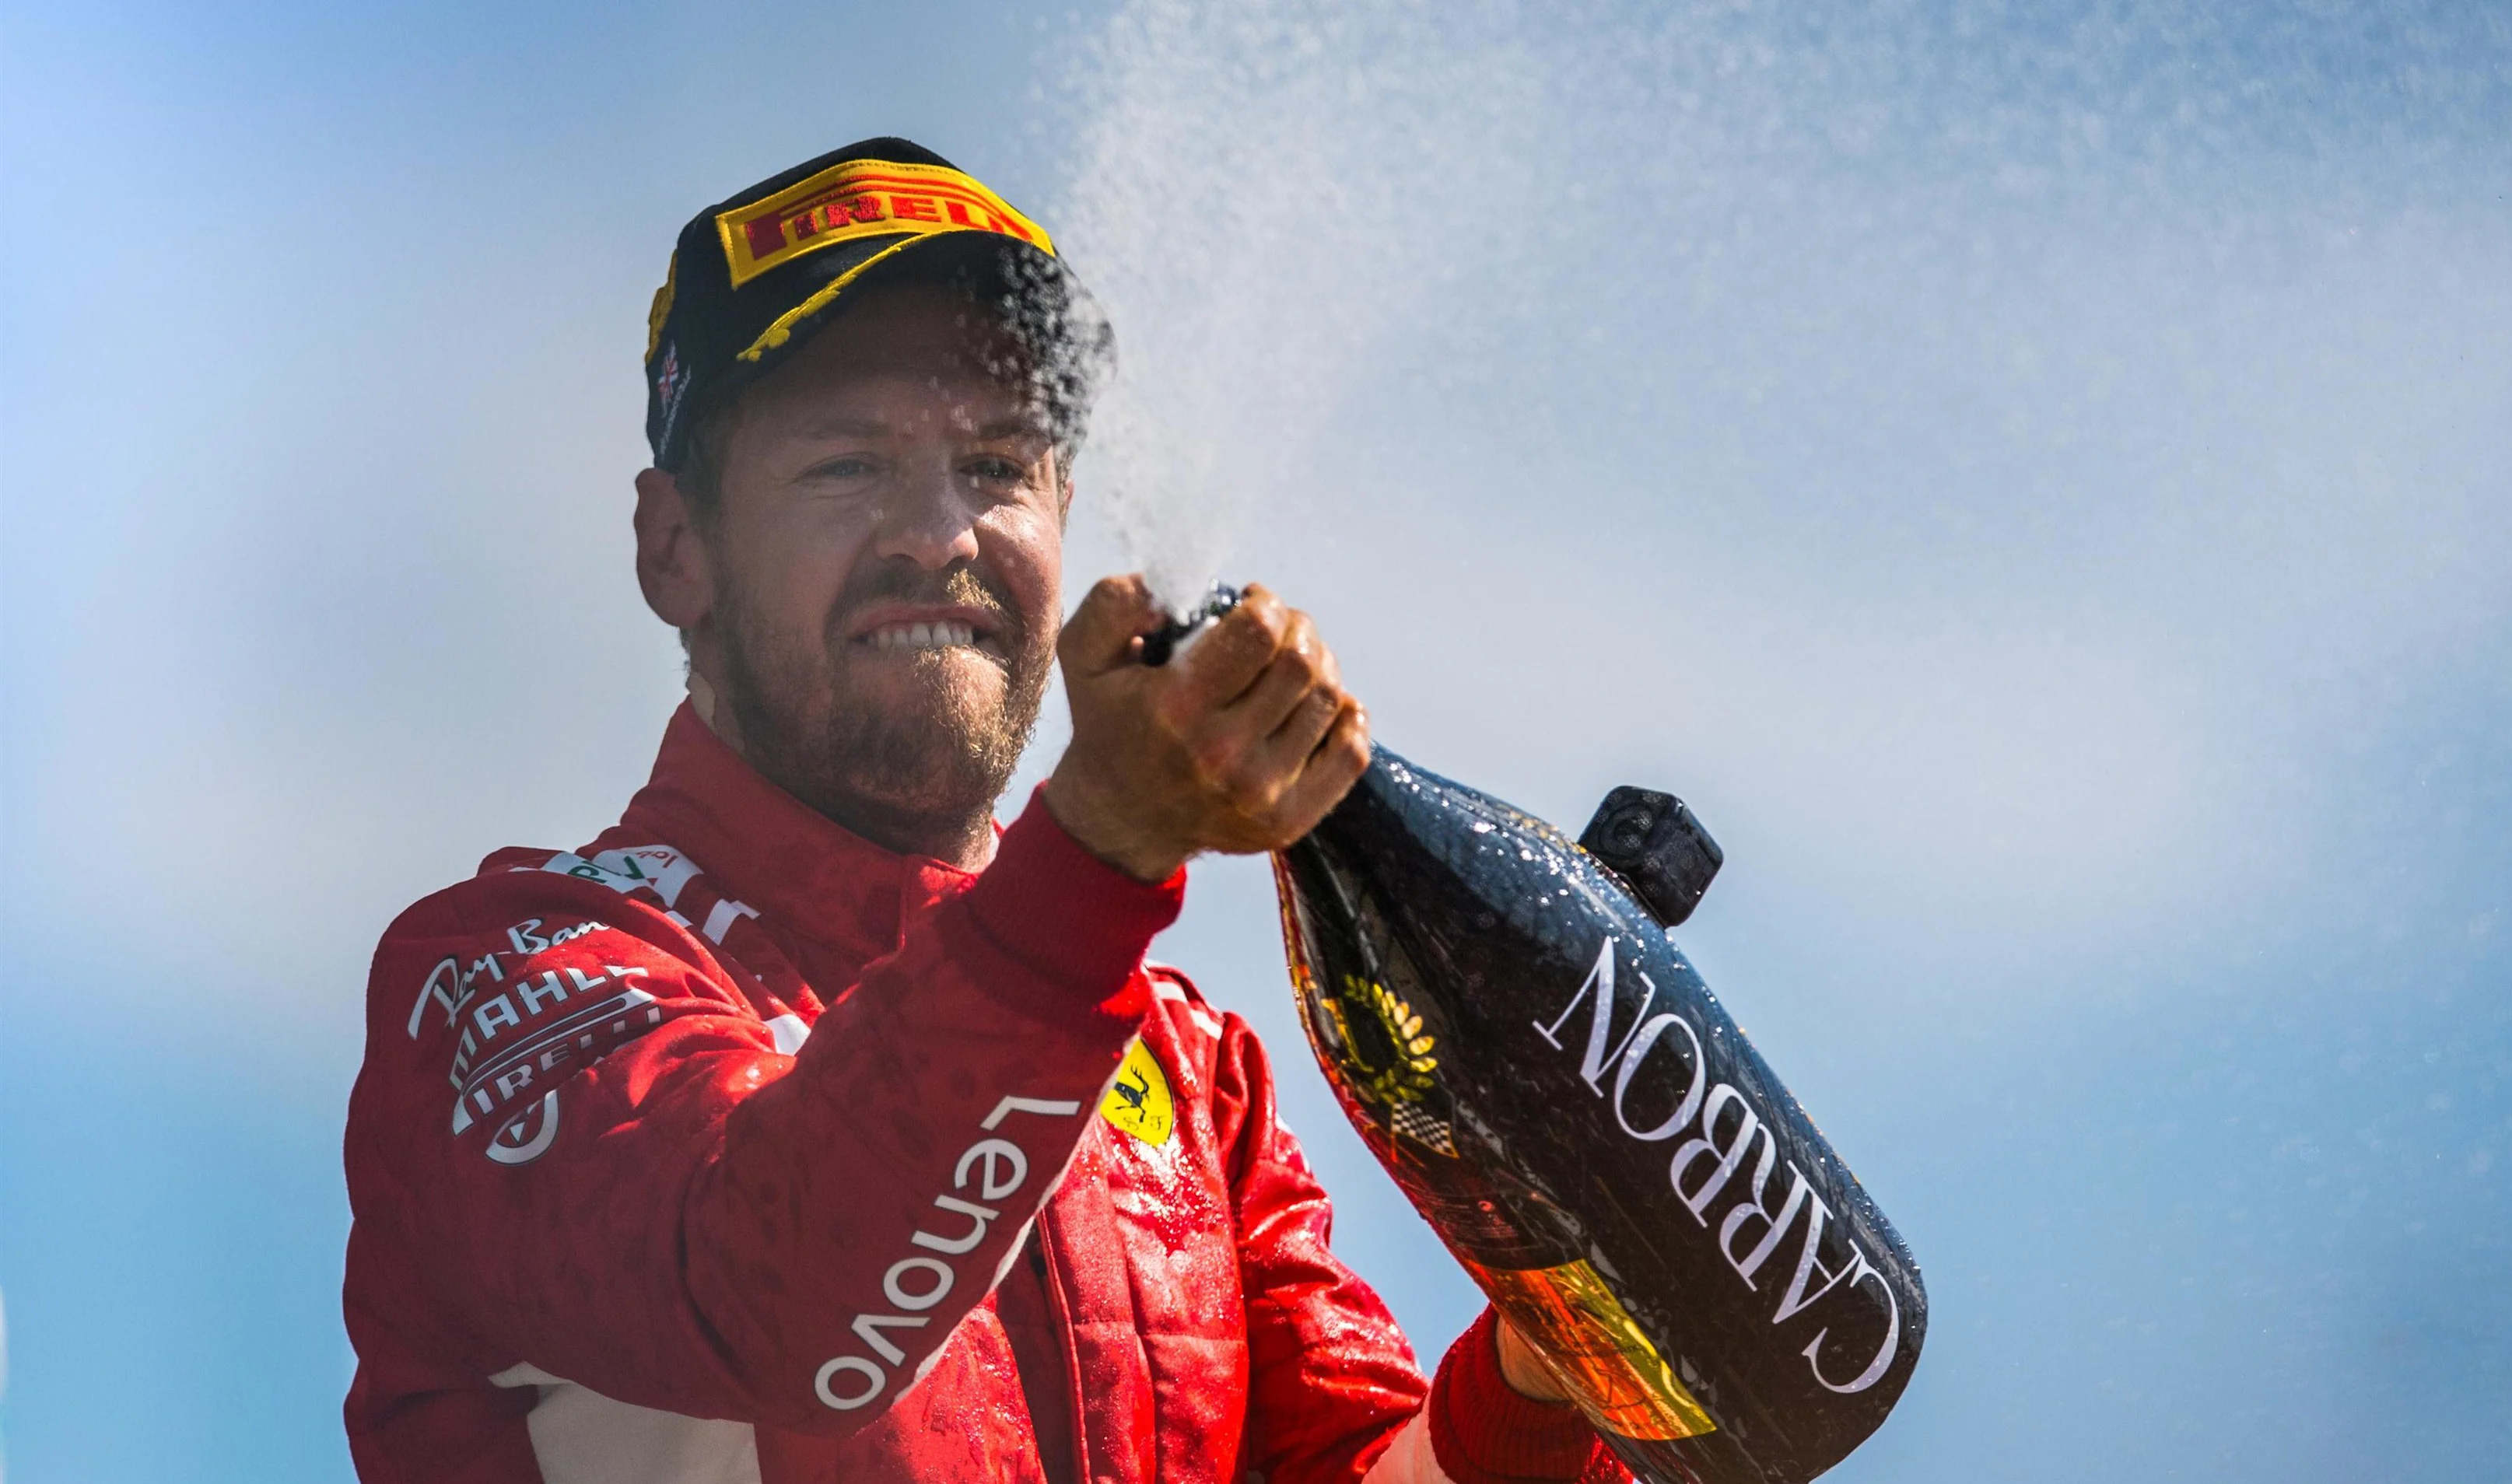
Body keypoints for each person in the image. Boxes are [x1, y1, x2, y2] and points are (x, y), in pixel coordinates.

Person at [342, 137, 1630, 1484]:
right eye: (847, 466)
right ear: (677, 549)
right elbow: (770, 1309)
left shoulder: (1194, 1075)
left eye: (1000, 465)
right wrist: (1099, 853)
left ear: (1065, 514)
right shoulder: (501, 971)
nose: (938, 533)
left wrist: (1556, 1351)